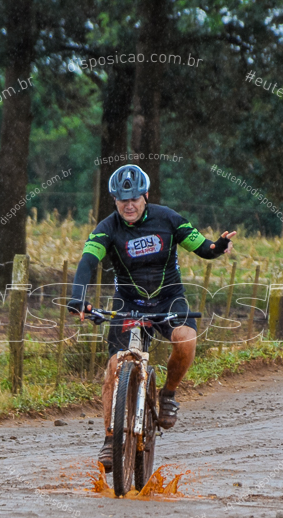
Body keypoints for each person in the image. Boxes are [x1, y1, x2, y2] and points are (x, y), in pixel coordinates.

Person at [68, 164, 236, 472]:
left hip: (169, 297)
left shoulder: (168, 219)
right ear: (114, 201)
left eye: (134, 198)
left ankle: (168, 393)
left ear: (146, 196)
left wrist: (219, 246)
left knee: (185, 339)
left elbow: (204, 247)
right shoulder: (106, 228)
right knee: (115, 366)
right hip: (128, 302)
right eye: (122, 200)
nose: (129, 205)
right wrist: (78, 298)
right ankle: (110, 439)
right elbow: (87, 262)